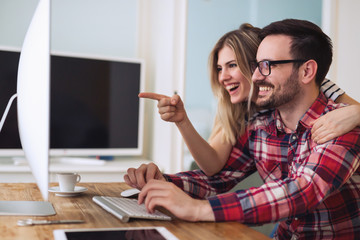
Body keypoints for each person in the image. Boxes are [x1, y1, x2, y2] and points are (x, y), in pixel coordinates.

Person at [125, 19, 360, 239]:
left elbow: (303, 190)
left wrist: (199, 209)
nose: (256, 76)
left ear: (307, 71)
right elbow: (218, 178)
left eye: (266, 66)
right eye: (256, 66)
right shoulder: (259, 126)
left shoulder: (341, 124)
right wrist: (163, 182)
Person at [138, 24, 360, 177]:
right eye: (219, 68)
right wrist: (182, 121)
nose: (222, 77)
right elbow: (212, 165)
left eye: (232, 65)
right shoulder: (233, 109)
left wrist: (355, 113)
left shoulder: (310, 85)